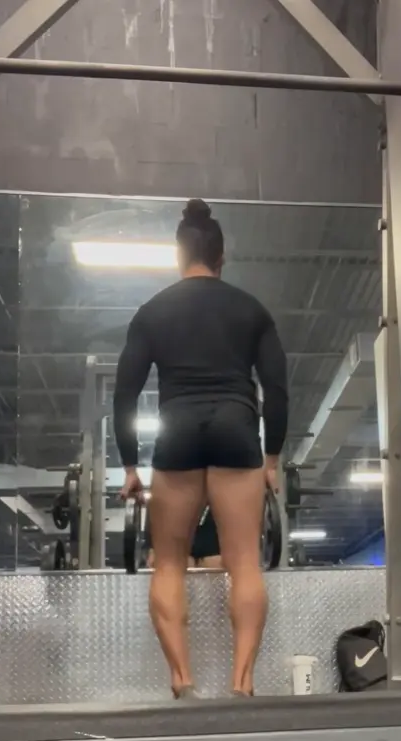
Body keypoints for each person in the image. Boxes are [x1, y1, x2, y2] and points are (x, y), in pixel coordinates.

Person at [113, 198, 289, 699]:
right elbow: (277, 391)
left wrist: (130, 465)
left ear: (179, 255)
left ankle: (182, 681)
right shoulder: (251, 309)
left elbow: (124, 395)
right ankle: (242, 684)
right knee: (244, 562)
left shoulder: (152, 311)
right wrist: (271, 459)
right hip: (236, 429)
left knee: (169, 563)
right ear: (221, 257)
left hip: (178, 432)